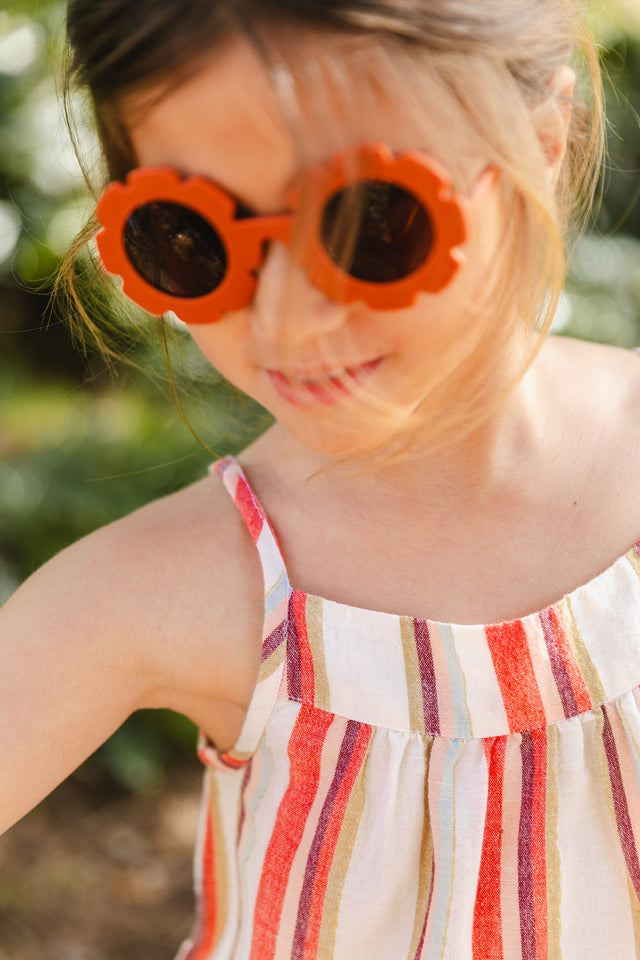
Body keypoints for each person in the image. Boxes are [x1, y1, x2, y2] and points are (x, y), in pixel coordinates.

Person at [3, 0, 640, 957]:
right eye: (191, 235)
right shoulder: (160, 590)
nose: (289, 319)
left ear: (540, 142)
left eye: (369, 219)